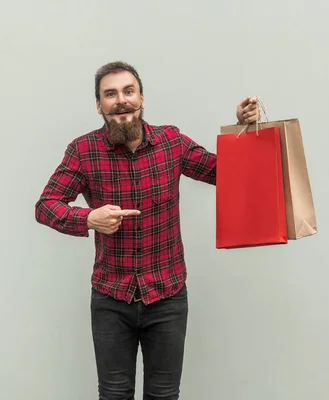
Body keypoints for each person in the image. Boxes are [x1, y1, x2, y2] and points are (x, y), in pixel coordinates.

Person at [35, 61, 260, 400]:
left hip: (167, 297)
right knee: (113, 394)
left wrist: (242, 130)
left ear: (142, 98)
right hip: (111, 299)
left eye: (128, 91)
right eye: (110, 94)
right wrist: (87, 219)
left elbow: (224, 171)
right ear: (99, 105)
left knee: (165, 395)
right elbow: (46, 205)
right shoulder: (83, 151)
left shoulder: (171, 142)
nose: (120, 100)